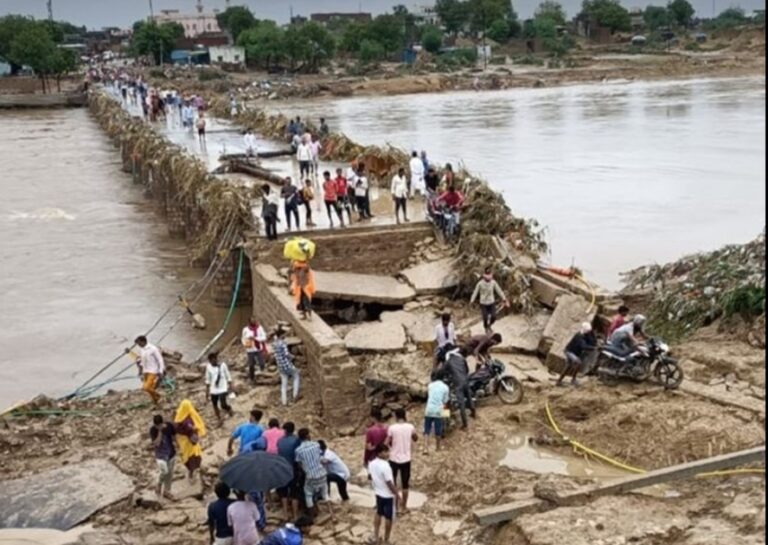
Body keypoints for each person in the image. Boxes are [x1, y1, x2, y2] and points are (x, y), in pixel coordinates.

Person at [294, 428, 333, 519]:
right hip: (322, 473)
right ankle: (332, 514)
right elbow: (319, 457)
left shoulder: (298, 450)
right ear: (307, 436)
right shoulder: (316, 445)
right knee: (325, 493)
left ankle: (312, 516)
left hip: (310, 476)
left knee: (308, 494)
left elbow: (299, 464)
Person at [386, 408, 418, 511]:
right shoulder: (410, 427)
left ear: (396, 416)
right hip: (406, 458)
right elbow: (415, 438)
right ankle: (404, 506)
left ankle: (395, 507)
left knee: (393, 483)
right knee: (405, 484)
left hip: (394, 458)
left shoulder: (392, 428)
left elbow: (387, 442)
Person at [369, 444, 400, 545]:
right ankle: (387, 539)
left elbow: (370, 476)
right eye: (386, 452)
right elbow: (389, 483)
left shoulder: (372, 463)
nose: (388, 454)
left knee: (378, 512)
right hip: (387, 495)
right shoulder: (386, 466)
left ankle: (376, 535)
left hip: (378, 492)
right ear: (380, 453)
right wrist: (397, 494)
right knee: (388, 517)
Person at [441, 346, 475, 429]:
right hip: (465, 380)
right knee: (469, 397)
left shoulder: (448, 362)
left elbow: (442, 372)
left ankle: (464, 424)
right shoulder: (461, 359)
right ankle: (473, 412)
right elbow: (467, 370)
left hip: (458, 383)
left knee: (461, 403)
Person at [174, 399, 206, 480]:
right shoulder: (187, 421)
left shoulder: (179, 416)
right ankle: (193, 473)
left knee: (187, 456)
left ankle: (193, 471)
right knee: (192, 456)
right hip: (189, 442)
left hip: (183, 442)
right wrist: (195, 429)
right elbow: (189, 430)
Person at [556, 322, 597, 387]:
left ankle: (559, 381)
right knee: (578, 362)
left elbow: (592, 341)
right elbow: (584, 346)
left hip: (572, 352)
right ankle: (573, 379)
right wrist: (594, 348)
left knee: (568, 366)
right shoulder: (579, 336)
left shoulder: (585, 334)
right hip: (569, 352)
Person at [470, 267, 509, 333]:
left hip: (491, 302)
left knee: (494, 316)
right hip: (483, 303)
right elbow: (475, 292)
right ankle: (486, 327)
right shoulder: (480, 284)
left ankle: (489, 325)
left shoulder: (493, 283)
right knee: (485, 317)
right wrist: (472, 301)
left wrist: (504, 298)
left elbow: (499, 290)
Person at [276, 422, 302, 522]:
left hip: (282, 469)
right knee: (294, 492)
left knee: (283, 492)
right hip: (293, 468)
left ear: (285, 430)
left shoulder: (280, 441)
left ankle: (285, 514)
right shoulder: (297, 440)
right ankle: (295, 515)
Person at [149, 414, 177, 500]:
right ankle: (159, 484)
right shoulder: (153, 430)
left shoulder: (169, 426)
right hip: (160, 455)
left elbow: (174, 436)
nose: (158, 427)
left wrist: (179, 446)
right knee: (164, 471)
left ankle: (167, 491)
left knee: (170, 473)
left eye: (160, 425)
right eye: (157, 426)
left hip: (171, 453)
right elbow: (156, 443)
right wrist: (160, 432)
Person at [272, 328, 301, 406]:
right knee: (296, 376)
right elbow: (286, 354)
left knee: (284, 384)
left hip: (280, 367)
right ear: (281, 335)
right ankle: (295, 395)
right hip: (287, 365)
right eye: (284, 335)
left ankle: (284, 402)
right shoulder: (283, 343)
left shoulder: (274, 344)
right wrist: (293, 357)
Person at [423, 370, 449, 454]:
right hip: (438, 410)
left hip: (429, 409)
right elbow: (445, 401)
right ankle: (438, 447)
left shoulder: (430, 385)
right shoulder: (445, 387)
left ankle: (425, 448)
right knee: (438, 430)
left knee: (427, 429)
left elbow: (429, 396)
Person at [135, 335, 165, 407]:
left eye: (139, 343)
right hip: (145, 371)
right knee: (150, 388)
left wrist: (161, 371)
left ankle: (158, 396)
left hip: (153, 370)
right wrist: (140, 371)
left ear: (143, 341)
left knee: (146, 387)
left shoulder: (153, 349)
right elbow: (142, 361)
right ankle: (155, 400)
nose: (138, 345)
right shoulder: (141, 350)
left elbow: (160, 360)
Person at [205, 352, 234, 425]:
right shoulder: (208, 367)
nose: (212, 362)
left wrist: (230, 386)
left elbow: (228, 375)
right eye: (210, 361)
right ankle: (219, 418)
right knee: (214, 405)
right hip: (213, 389)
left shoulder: (223, 365)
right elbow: (208, 379)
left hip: (223, 387)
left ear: (216, 359)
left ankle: (229, 408)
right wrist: (207, 392)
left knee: (223, 404)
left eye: (213, 360)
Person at [363, 408, 388, 477]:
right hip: (384, 456)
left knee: (375, 480)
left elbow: (368, 448)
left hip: (373, 458)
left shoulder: (370, 430)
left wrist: (365, 460)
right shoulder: (386, 428)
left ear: (373, 417)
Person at [241, 317, 268, 382]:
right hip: (250, 350)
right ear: (249, 322)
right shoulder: (245, 330)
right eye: (252, 321)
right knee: (251, 365)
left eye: (254, 321)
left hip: (259, 348)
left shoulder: (260, 328)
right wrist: (246, 343)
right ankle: (252, 378)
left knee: (262, 363)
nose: (253, 322)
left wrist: (255, 338)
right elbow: (243, 339)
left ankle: (263, 376)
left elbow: (264, 337)